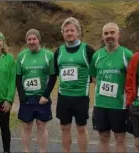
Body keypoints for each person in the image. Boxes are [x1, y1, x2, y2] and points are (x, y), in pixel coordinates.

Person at [53, 17, 95, 153]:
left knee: (81, 128)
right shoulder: (58, 52)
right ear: (63, 33)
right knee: (64, 128)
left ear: (78, 32)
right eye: (66, 31)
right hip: (64, 96)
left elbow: (95, 74)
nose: (69, 33)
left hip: (81, 97)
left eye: (72, 30)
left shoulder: (87, 50)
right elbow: (56, 73)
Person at [89, 22, 133, 153]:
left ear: (118, 35)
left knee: (120, 138)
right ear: (103, 36)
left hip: (119, 105)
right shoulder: (96, 56)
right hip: (100, 104)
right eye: (106, 33)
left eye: (112, 33)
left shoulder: (127, 54)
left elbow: (132, 80)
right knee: (103, 137)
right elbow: (94, 78)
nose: (109, 36)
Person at [16, 29, 56, 153]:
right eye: (29, 39)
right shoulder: (21, 56)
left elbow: (53, 77)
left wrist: (45, 95)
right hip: (27, 97)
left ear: (39, 40)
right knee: (26, 126)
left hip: (42, 97)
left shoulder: (48, 55)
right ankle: (26, 150)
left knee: (41, 126)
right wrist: (22, 96)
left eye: (34, 39)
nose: (32, 41)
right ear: (26, 41)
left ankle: (42, 151)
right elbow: (18, 77)